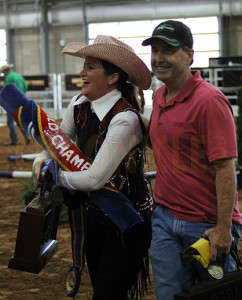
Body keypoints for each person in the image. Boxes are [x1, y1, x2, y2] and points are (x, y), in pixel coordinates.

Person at [33, 35, 153, 300]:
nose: (82, 72)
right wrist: (42, 158)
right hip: (95, 216)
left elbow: (96, 177)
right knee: (103, 288)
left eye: (90, 66)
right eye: (84, 65)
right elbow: (58, 141)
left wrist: (57, 177)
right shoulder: (78, 104)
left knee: (108, 292)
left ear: (112, 78)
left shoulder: (125, 119)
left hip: (127, 222)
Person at [142, 20, 242, 299]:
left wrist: (223, 228)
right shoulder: (160, 95)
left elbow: (225, 168)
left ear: (189, 55)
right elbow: (168, 141)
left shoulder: (209, 101)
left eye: (168, 51)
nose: (159, 59)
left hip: (206, 225)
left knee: (215, 294)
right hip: (165, 218)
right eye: (156, 51)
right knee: (168, 295)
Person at [0, 64, 30, 145]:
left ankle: (14, 140)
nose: (3, 74)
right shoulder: (18, 76)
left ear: (5, 71)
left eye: (3, 72)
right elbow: (25, 87)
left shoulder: (9, 78)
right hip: (22, 101)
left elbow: (6, 90)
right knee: (19, 119)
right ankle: (27, 135)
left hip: (13, 102)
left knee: (10, 121)